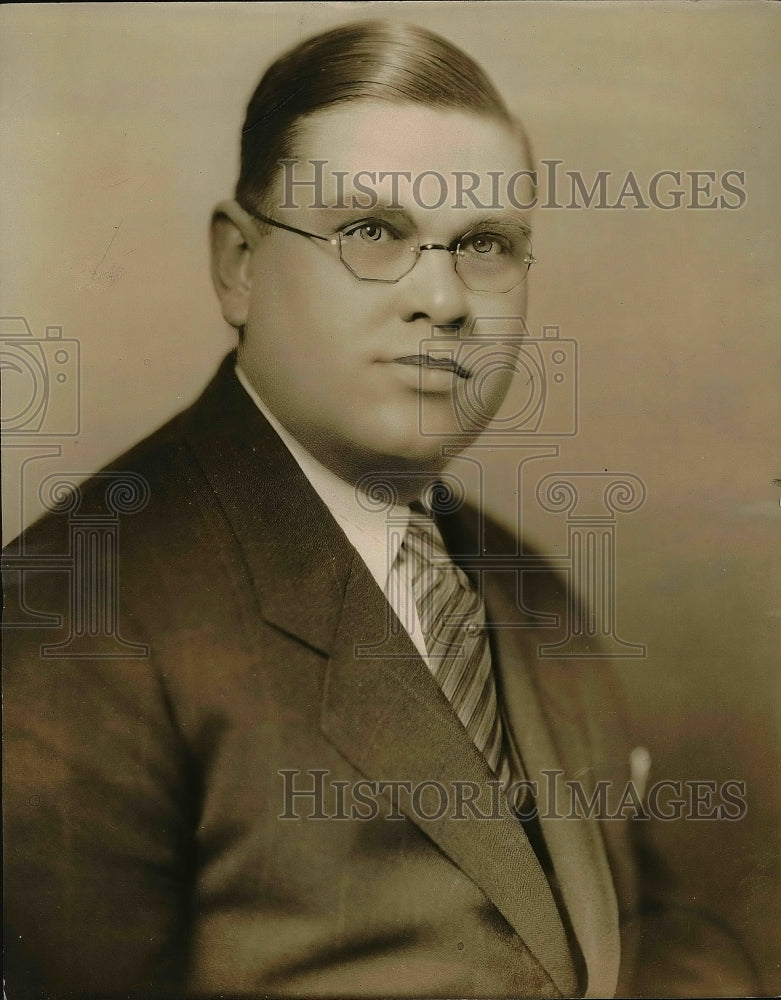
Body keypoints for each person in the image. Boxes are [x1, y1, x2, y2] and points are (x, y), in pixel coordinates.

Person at [2, 19, 757, 1000]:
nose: (442, 298)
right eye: (371, 231)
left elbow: (644, 934)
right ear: (238, 265)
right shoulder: (68, 615)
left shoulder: (536, 595)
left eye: (486, 243)